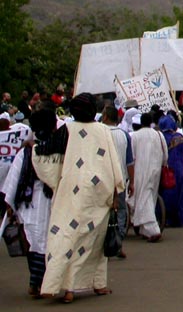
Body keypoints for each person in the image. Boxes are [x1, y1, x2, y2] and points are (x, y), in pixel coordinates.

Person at [32, 93, 125, 303]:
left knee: (67, 237)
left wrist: (34, 150)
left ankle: (66, 287)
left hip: (71, 192)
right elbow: (113, 162)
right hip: (98, 192)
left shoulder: (66, 129)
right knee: (94, 241)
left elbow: (46, 152)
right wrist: (116, 192)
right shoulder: (103, 130)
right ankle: (97, 284)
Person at [1, 104, 56, 298]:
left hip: (29, 205)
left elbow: (13, 181)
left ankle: (36, 283)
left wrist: (10, 206)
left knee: (34, 244)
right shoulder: (59, 151)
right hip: (53, 204)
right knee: (48, 244)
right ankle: (45, 283)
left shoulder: (26, 152)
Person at [101, 103, 134, 258]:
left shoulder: (99, 133)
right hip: (120, 181)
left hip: (102, 181)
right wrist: (132, 181)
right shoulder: (124, 135)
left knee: (102, 213)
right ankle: (117, 243)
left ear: (105, 117)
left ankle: (104, 246)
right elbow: (129, 162)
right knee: (120, 212)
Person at [131, 111, 168, 242]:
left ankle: (153, 230)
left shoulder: (135, 136)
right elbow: (165, 154)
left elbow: (132, 157)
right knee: (150, 197)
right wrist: (163, 164)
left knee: (143, 198)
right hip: (156, 171)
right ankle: (144, 230)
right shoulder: (158, 134)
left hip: (140, 171)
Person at [158, 114, 183, 227]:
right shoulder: (179, 137)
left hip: (164, 170)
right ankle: (178, 219)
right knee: (178, 194)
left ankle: (164, 218)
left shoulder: (159, 137)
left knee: (164, 194)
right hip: (178, 170)